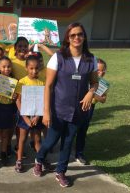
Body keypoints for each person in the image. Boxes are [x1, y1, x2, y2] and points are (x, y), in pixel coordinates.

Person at [32, 22, 98, 188]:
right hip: (58, 109)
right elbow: (48, 86)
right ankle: (39, 159)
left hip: (78, 111)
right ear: (67, 38)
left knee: (68, 143)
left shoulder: (91, 59)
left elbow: (95, 83)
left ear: (84, 37)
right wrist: (46, 112)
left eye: (80, 34)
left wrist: (91, 92)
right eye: (73, 35)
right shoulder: (58, 57)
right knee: (51, 141)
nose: (77, 38)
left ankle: (60, 171)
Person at [14, 55, 45, 173]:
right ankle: (19, 160)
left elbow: (43, 101)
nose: (34, 71)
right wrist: (25, 118)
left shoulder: (41, 82)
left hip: (37, 116)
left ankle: (39, 162)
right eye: (31, 68)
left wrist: (37, 116)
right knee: (22, 139)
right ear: (26, 68)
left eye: (36, 68)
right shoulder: (21, 82)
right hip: (24, 116)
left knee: (37, 139)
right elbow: (18, 100)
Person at [75, 58, 108, 165]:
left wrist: (92, 94)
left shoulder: (103, 84)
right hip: (78, 105)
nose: (100, 73)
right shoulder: (85, 78)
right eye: (98, 70)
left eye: (103, 71)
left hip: (90, 108)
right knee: (70, 128)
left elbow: (103, 100)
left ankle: (79, 153)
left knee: (83, 130)